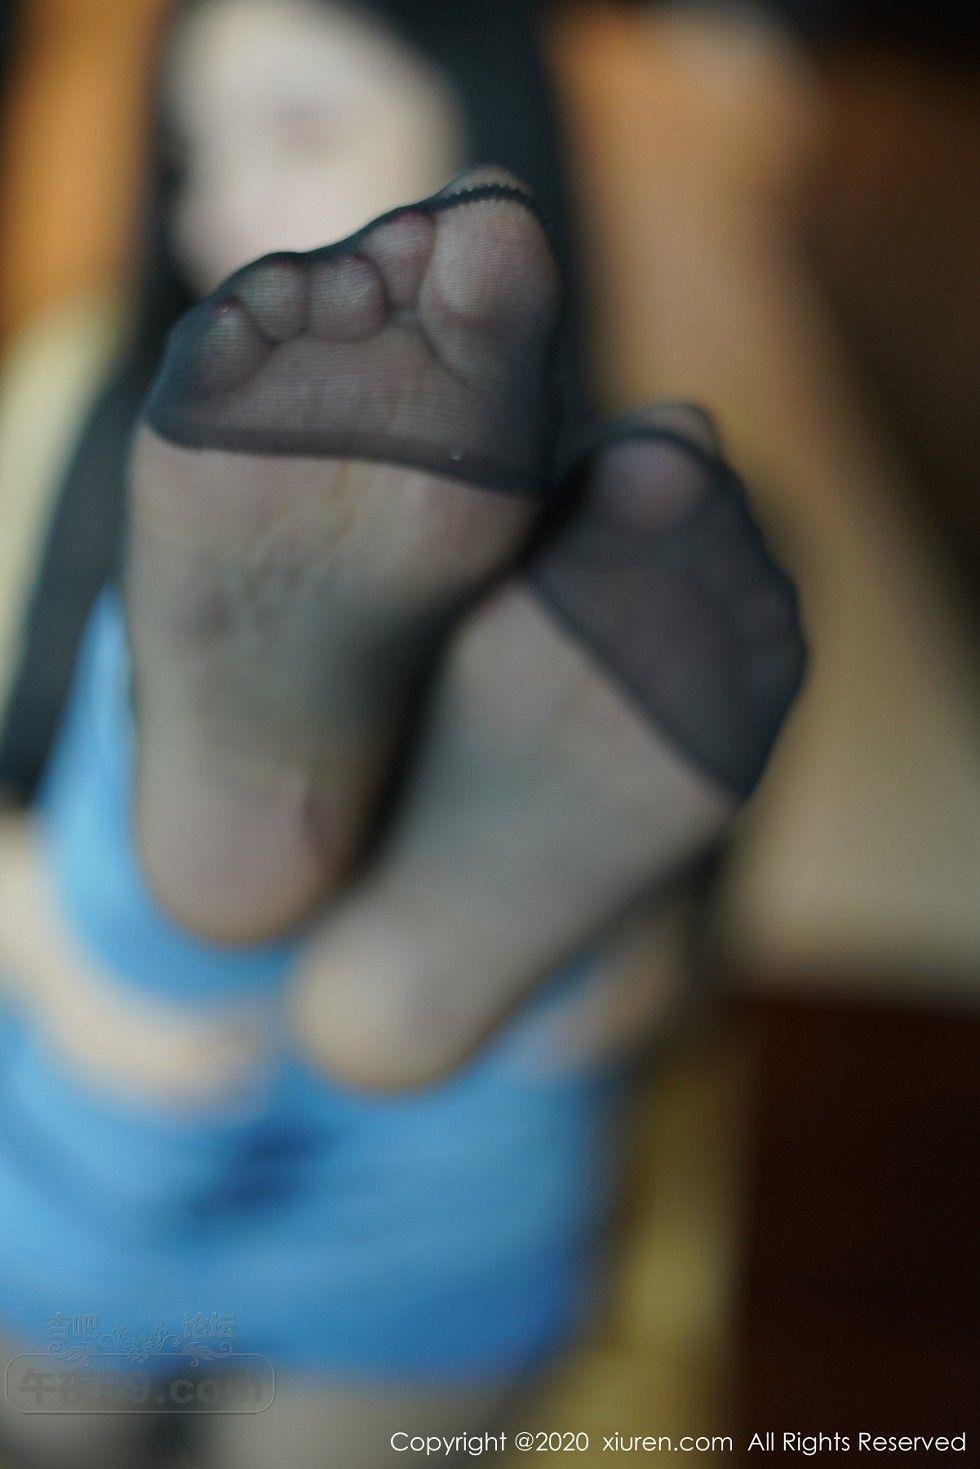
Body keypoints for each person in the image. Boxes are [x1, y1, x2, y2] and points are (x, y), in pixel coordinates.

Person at [0, 4, 804, 1465]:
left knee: (265, 923)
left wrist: (594, 981)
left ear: (487, 133)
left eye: (300, 128)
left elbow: (675, 964)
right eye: (194, 154)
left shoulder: (656, 546)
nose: (222, 206)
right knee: (145, 906)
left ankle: (291, 904)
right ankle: (298, 919)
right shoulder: (98, 412)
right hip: (220, 1112)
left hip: (193, 1157)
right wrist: (66, 964)